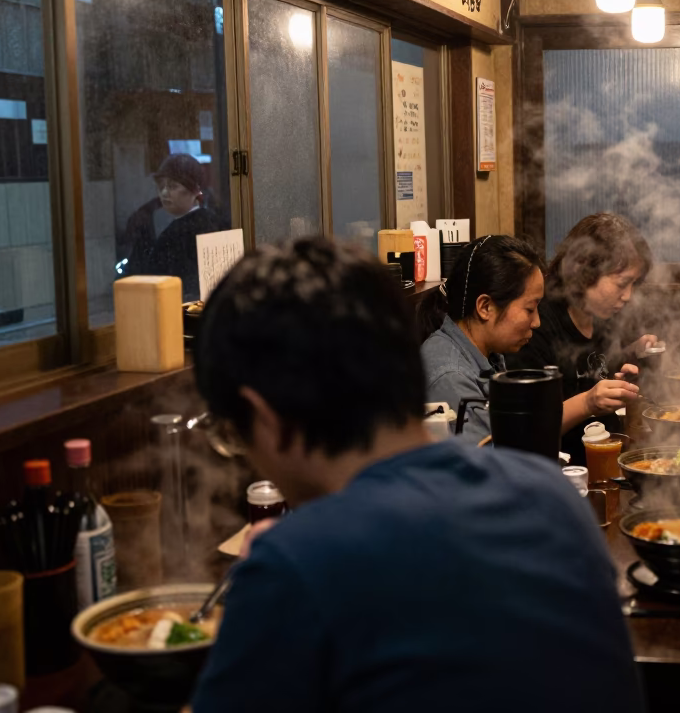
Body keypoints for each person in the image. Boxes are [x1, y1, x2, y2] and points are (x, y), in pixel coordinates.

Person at [189, 237, 644, 713]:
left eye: (235, 434)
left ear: (264, 418)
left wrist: (276, 574)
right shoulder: (552, 495)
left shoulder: (292, 568)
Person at [505, 213, 658, 459]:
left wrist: (626, 365)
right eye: (622, 284)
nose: (628, 296)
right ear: (584, 272)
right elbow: (526, 430)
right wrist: (588, 403)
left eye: (633, 285)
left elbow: (598, 372)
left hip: (608, 459)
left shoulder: (604, 316)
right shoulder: (536, 325)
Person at [418, 235, 546, 442]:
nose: (537, 322)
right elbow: (488, 465)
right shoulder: (451, 377)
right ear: (485, 307)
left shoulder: (487, 354)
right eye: (530, 309)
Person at [123, 153, 224, 300]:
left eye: (172, 186)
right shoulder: (151, 220)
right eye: (161, 186)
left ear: (194, 190)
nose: (164, 193)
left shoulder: (192, 230)